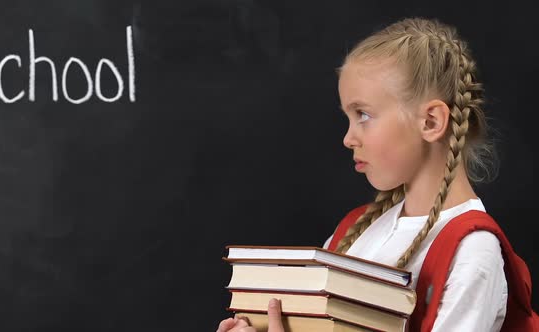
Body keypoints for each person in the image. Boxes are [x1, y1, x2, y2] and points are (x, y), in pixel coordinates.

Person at [217, 16, 507, 332]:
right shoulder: (355, 231)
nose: (348, 138)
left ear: (431, 122)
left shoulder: (473, 253)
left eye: (363, 115)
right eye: (349, 117)